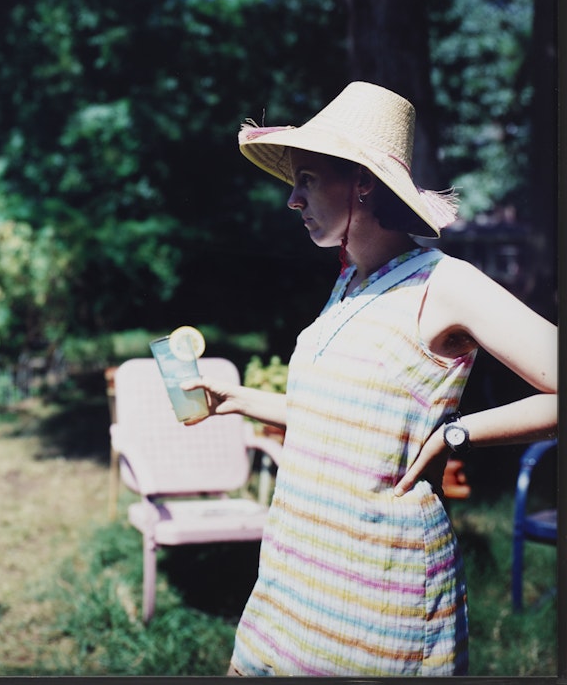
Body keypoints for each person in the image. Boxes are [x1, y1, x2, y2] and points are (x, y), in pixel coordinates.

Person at [182, 82, 557, 676]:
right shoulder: (348, 282)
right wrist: (241, 399)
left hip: (380, 589)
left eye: (306, 178)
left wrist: (455, 435)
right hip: (294, 571)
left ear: (361, 181)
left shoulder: (445, 283)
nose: (293, 200)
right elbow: (348, 418)